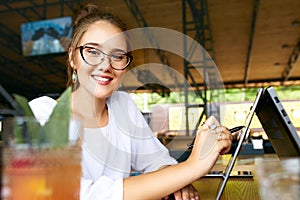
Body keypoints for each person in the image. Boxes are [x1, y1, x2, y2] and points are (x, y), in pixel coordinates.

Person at [28, 3, 232, 200]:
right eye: (93, 51)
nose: (105, 65)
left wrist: (174, 179)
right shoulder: (41, 113)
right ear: (73, 57)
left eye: (117, 56)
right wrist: (190, 168)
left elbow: (154, 160)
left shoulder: (122, 105)